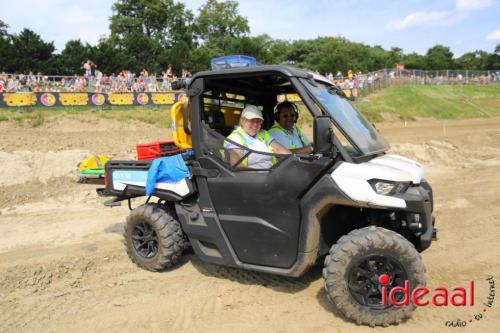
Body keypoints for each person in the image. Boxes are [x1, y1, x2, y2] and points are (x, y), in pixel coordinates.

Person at [224, 105, 290, 169]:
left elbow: (283, 151)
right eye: (251, 120)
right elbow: (236, 165)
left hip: (272, 173)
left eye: (258, 121)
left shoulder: (263, 133)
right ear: (242, 121)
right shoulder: (235, 138)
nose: (255, 124)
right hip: (252, 177)